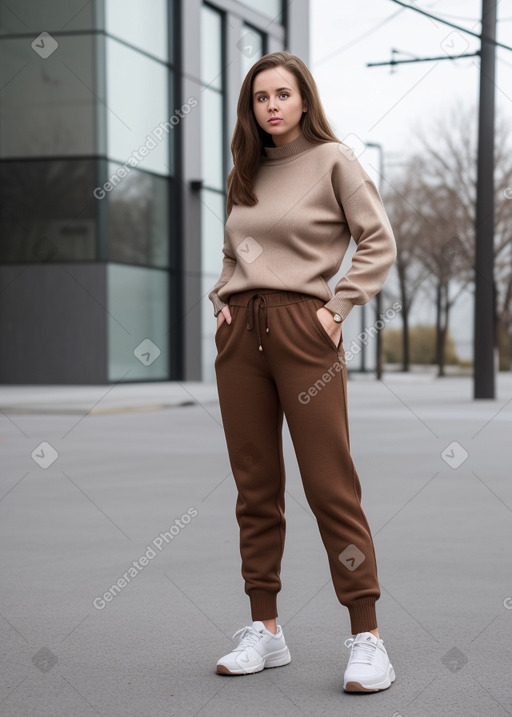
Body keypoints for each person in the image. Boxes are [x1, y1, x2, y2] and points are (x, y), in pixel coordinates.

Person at [209, 51, 397, 693]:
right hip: (242, 334)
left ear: (304, 100)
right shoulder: (246, 170)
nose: (272, 106)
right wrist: (222, 295)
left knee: (329, 485)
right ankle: (266, 629)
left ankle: (367, 636)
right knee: (255, 487)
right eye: (261, 98)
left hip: (303, 329)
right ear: (251, 108)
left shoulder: (334, 161)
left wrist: (338, 307)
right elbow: (235, 249)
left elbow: (378, 240)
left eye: (283, 94)